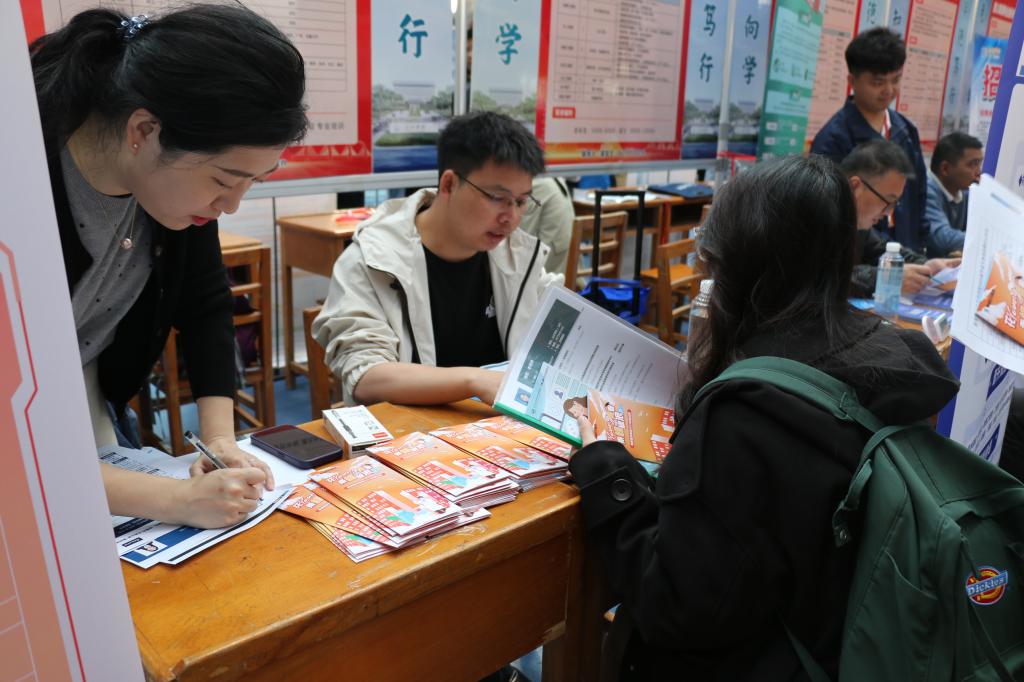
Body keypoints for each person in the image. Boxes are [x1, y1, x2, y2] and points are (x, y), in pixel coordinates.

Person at [568, 155, 958, 680]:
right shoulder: (894, 354)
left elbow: (675, 606)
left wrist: (606, 468)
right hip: (859, 643)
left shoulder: (748, 411)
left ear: (736, 265)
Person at [32, 6, 308, 528]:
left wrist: (220, 439)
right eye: (223, 180)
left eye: (253, 182)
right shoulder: (22, 183)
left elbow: (205, 304)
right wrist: (175, 500)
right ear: (144, 130)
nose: (230, 205)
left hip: (85, 394)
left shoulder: (173, 194)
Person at [313, 111, 562, 407]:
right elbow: (366, 377)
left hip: (497, 429)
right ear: (449, 185)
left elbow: (555, 340)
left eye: (521, 202)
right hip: (409, 430)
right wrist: (474, 381)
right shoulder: (373, 260)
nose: (511, 217)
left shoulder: (517, 256)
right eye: (498, 198)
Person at [811, 28, 930, 253]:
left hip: (906, 250)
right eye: (878, 82)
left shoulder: (906, 130)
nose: (889, 90)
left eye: (896, 80)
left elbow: (919, 197)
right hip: (861, 257)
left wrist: (921, 253)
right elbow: (832, 218)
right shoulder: (833, 140)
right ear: (852, 81)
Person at [838, 140, 958, 297]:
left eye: (895, 203)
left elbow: (882, 249)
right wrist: (885, 278)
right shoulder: (818, 211)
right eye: (888, 200)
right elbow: (823, 276)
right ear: (855, 186)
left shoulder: (857, 222)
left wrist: (926, 265)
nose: (889, 213)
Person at [926, 132, 983, 257]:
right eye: (973, 164)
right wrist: (984, 241)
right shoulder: (926, 190)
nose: (979, 172)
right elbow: (943, 238)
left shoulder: (964, 191)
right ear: (945, 169)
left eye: (979, 164)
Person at [517, 176, 575, 275]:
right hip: (566, 264)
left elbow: (519, 240)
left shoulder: (535, 185)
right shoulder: (555, 178)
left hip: (547, 271)